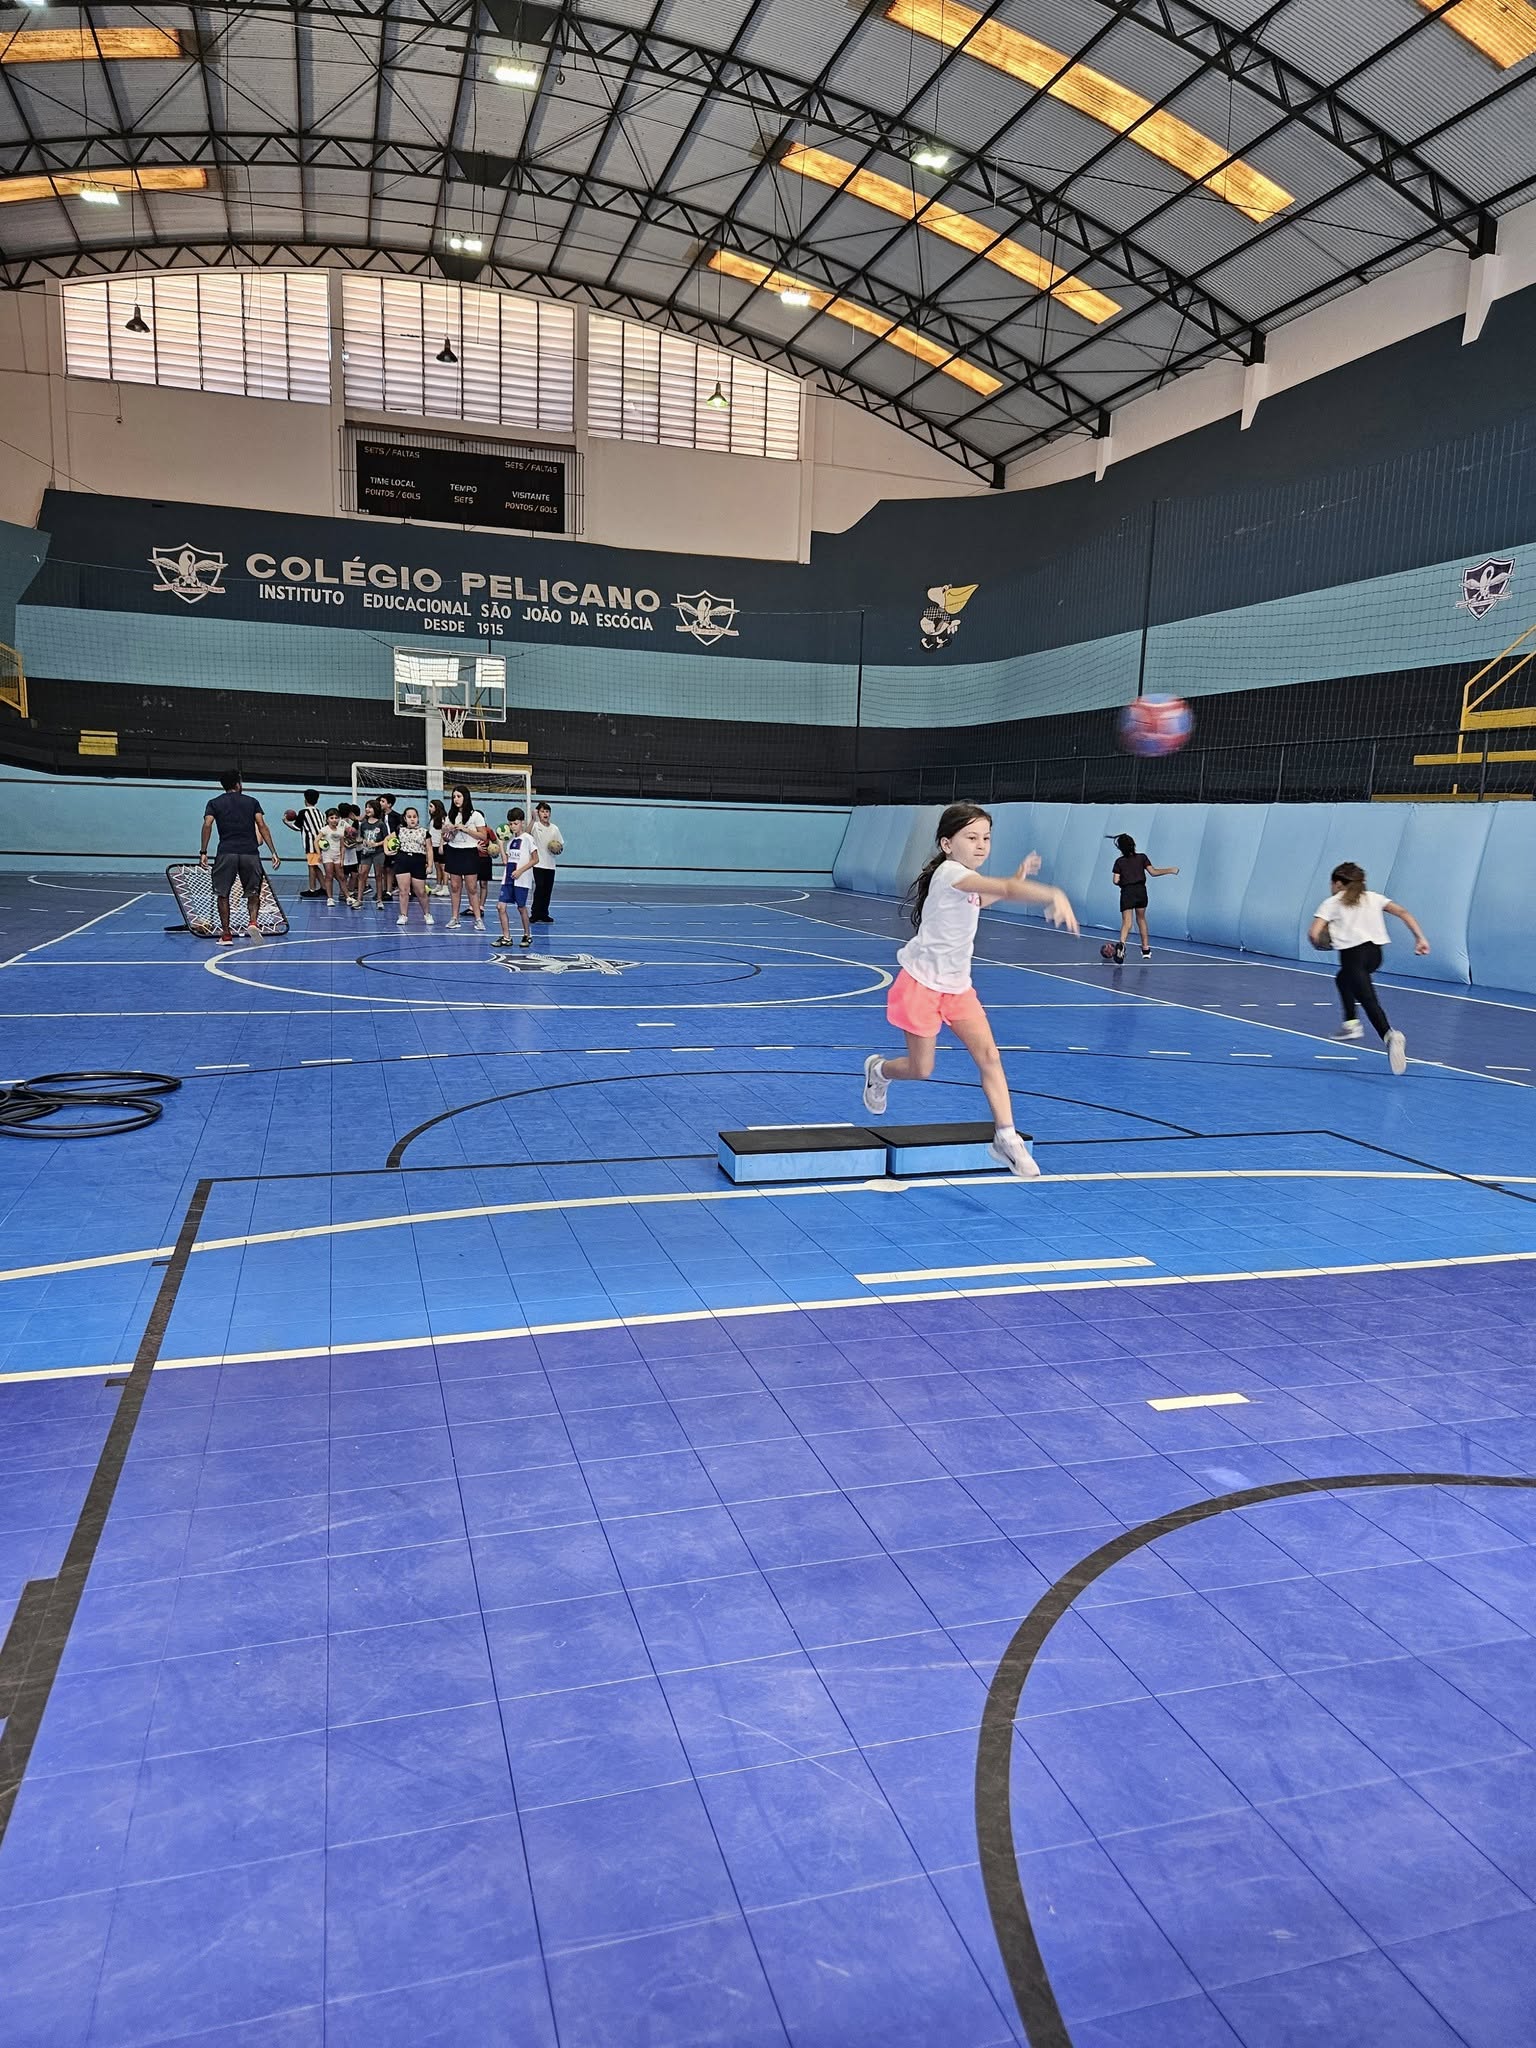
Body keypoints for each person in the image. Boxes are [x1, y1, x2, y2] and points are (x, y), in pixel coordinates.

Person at [861, 802, 1078, 1178]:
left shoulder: (967, 882)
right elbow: (1003, 889)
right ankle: (879, 1070)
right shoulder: (950, 873)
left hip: (958, 988)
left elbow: (986, 897)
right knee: (921, 1068)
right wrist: (1051, 893)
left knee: (990, 1057)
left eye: (986, 838)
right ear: (947, 844)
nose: (981, 845)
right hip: (922, 984)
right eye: (971, 837)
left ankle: (1005, 1137)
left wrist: (1016, 877)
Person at [1309, 862, 1427, 1076]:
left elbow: (1313, 933)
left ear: (1338, 883)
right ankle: (1351, 1023)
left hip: (1353, 956)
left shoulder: (1332, 903)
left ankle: (1389, 1035)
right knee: (1342, 979)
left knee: (1368, 999)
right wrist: (1420, 938)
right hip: (1375, 955)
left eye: (1331, 884)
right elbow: (1402, 912)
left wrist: (1320, 943)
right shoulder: (1373, 897)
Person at [199, 771, 280, 945]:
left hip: (226, 852)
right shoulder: (252, 802)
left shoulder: (214, 803)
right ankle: (253, 922)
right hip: (250, 853)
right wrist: (273, 851)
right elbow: (262, 825)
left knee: (223, 894)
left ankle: (226, 935)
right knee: (254, 892)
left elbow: (207, 824)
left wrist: (203, 851)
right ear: (238, 784)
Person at [1109, 832, 1179, 961]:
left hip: (1127, 892)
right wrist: (1170, 870)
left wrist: (1123, 882)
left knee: (1127, 922)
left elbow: (1115, 880)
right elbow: (1153, 872)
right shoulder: (1142, 858)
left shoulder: (1119, 862)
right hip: (1141, 891)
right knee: (1141, 919)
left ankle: (1121, 945)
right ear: (1133, 845)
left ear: (1121, 848)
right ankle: (1146, 949)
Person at [442, 785, 488, 930]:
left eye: (459, 796)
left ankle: (478, 919)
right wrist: (448, 832)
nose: (456, 799)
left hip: (469, 852)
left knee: (472, 887)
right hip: (454, 852)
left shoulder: (476, 815)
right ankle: (454, 918)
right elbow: (446, 838)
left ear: (465, 797)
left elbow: (483, 836)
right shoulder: (450, 816)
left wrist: (466, 829)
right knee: (455, 887)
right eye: (454, 797)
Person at [493, 807, 539, 949]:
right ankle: (506, 937)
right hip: (508, 878)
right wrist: (501, 845)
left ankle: (527, 934)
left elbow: (535, 859)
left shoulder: (528, 838)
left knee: (521, 907)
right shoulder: (511, 841)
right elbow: (506, 861)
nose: (513, 826)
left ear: (522, 823)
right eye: (511, 824)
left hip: (522, 879)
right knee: (500, 906)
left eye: (515, 823)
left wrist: (520, 871)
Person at [393, 805, 435, 927]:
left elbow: (429, 850)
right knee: (403, 890)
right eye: (409, 817)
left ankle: (427, 914)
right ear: (405, 818)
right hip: (402, 859)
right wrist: (387, 850)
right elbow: (387, 839)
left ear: (418, 818)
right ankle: (403, 915)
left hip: (418, 861)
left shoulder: (424, 832)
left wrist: (430, 865)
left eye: (414, 817)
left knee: (420, 891)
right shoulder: (399, 830)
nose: (412, 819)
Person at [282, 789, 327, 897]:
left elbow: (296, 827)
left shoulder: (303, 812)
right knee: (315, 865)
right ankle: (324, 887)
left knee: (311, 866)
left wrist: (286, 822)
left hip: (311, 844)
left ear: (305, 799)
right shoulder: (320, 813)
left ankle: (312, 889)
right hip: (321, 843)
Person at [529, 801, 562, 924]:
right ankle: (535, 913)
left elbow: (560, 845)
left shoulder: (555, 828)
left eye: (547, 811)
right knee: (539, 887)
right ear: (538, 813)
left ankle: (544, 914)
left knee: (547, 890)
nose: (545, 814)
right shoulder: (535, 826)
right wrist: (533, 819)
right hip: (538, 864)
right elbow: (526, 833)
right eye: (542, 811)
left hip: (550, 865)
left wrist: (557, 849)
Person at [428, 798, 449, 895]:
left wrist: (441, 845)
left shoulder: (443, 819)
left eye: (431, 806)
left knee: (443, 867)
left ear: (437, 807)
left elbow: (443, 833)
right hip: (434, 845)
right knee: (437, 867)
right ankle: (438, 885)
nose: (429, 808)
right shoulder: (433, 819)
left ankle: (445, 887)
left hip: (442, 846)